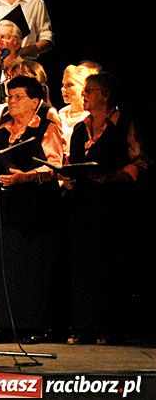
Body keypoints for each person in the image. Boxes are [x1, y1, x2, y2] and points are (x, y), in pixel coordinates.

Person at [64, 73, 148, 344]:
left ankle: (109, 327)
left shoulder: (123, 123)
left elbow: (140, 161)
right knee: (83, 265)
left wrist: (112, 178)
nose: (84, 94)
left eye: (90, 90)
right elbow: (74, 162)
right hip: (84, 205)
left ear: (105, 94)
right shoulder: (81, 128)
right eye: (85, 90)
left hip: (114, 205)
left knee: (110, 264)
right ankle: (83, 325)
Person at [0, 75, 63, 341]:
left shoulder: (46, 128)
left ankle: (34, 325)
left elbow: (54, 166)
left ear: (35, 101)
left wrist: (25, 177)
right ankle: (7, 324)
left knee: (32, 267)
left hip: (36, 208)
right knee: (8, 267)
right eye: (10, 97)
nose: (12, 102)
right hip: (5, 208)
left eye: (18, 97)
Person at [57, 64, 99, 155]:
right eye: (63, 84)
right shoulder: (60, 114)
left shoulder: (91, 116)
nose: (62, 89)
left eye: (69, 85)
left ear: (85, 87)